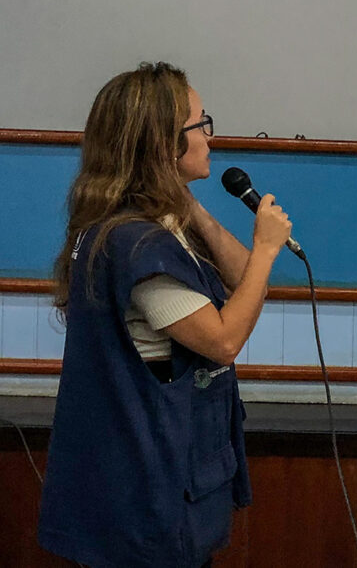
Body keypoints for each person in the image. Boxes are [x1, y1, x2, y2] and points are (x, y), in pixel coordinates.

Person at [38, 62, 292, 567]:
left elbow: (245, 283)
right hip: (146, 492)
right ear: (163, 144)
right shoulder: (137, 244)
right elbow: (223, 341)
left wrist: (190, 205)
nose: (210, 136)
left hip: (157, 474)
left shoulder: (151, 225)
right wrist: (266, 248)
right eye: (201, 124)